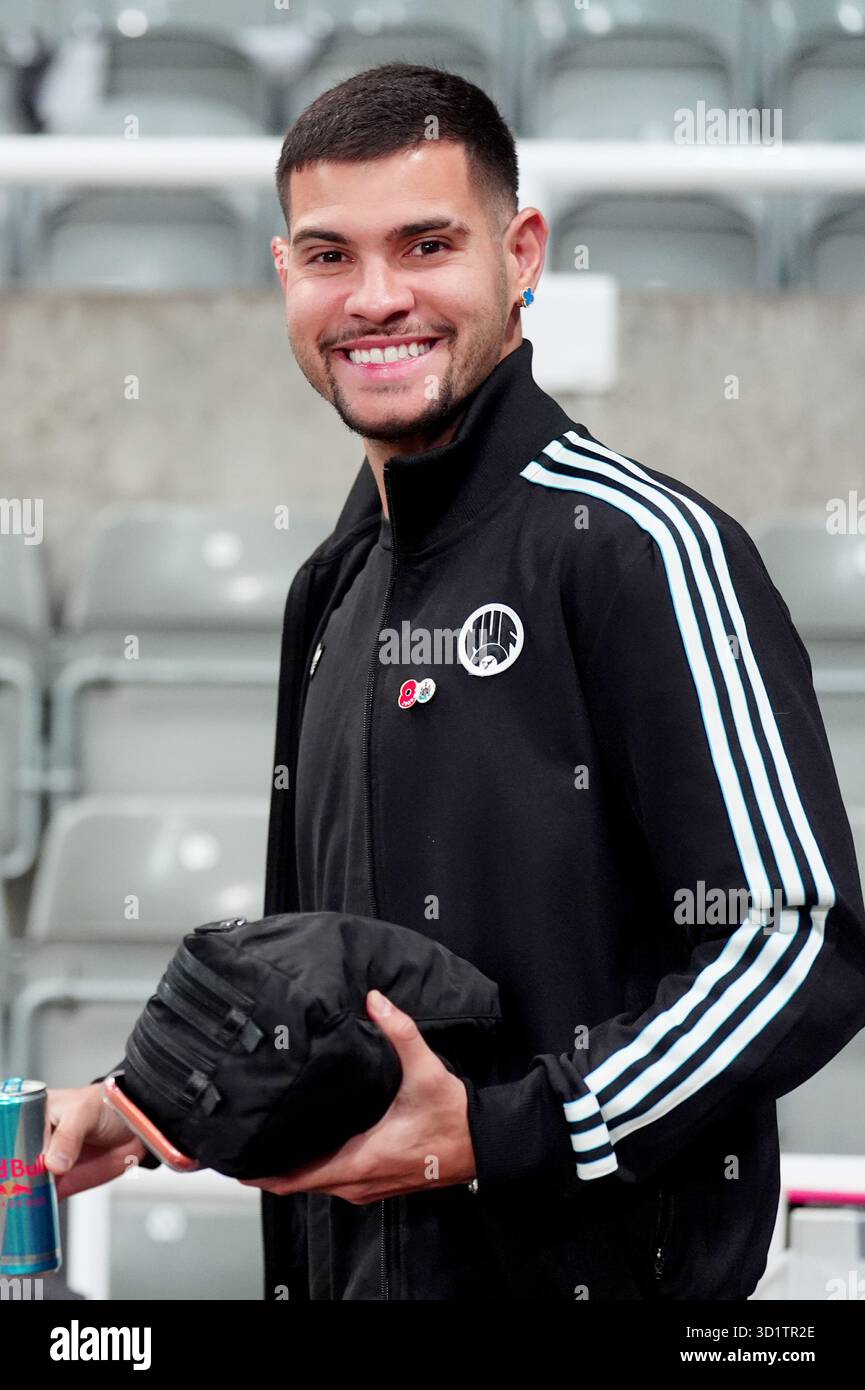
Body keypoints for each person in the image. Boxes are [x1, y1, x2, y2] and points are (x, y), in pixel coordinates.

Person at [46, 62, 865, 1302]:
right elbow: (333, 994)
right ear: (284, 276)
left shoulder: (643, 548)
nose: (377, 299)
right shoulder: (333, 582)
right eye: (330, 255)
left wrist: (509, 1131)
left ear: (520, 250)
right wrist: (154, 1099)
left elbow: (799, 944)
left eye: (425, 244)